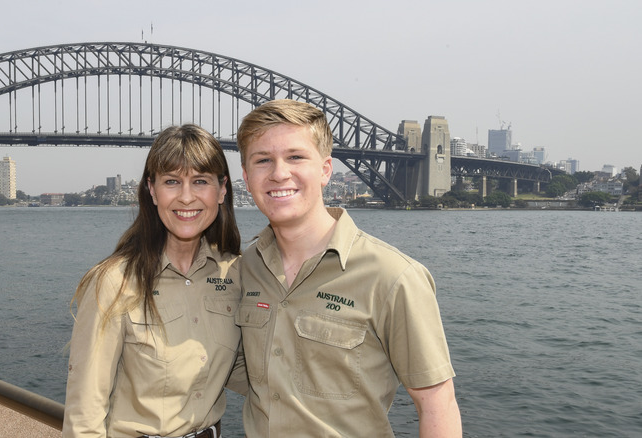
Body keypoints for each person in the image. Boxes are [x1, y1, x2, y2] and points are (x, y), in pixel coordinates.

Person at [235, 99, 462, 437]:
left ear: (326, 170)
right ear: (247, 177)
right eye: (263, 160)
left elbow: (437, 404)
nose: (279, 173)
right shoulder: (243, 269)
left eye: (296, 157)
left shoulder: (393, 276)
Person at [63, 124, 247, 438]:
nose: (186, 197)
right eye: (172, 182)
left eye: (200, 181)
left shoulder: (235, 275)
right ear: (152, 190)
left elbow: (249, 370)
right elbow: (84, 418)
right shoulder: (114, 282)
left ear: (222, 189)